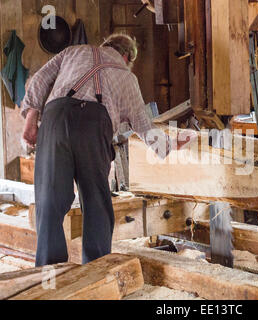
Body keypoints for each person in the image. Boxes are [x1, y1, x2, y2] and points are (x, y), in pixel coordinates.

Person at [21, 33, 195, 267]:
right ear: (127, 56)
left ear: (105, 46)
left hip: (55, 118)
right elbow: (144, 127)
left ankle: (49, 274)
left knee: (49, 200)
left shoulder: (73, 51)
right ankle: (96, 270)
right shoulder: (127, 76)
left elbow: (40, 80)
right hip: (93, 127)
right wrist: (175, 143)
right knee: (96, 202)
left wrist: (30, 120)